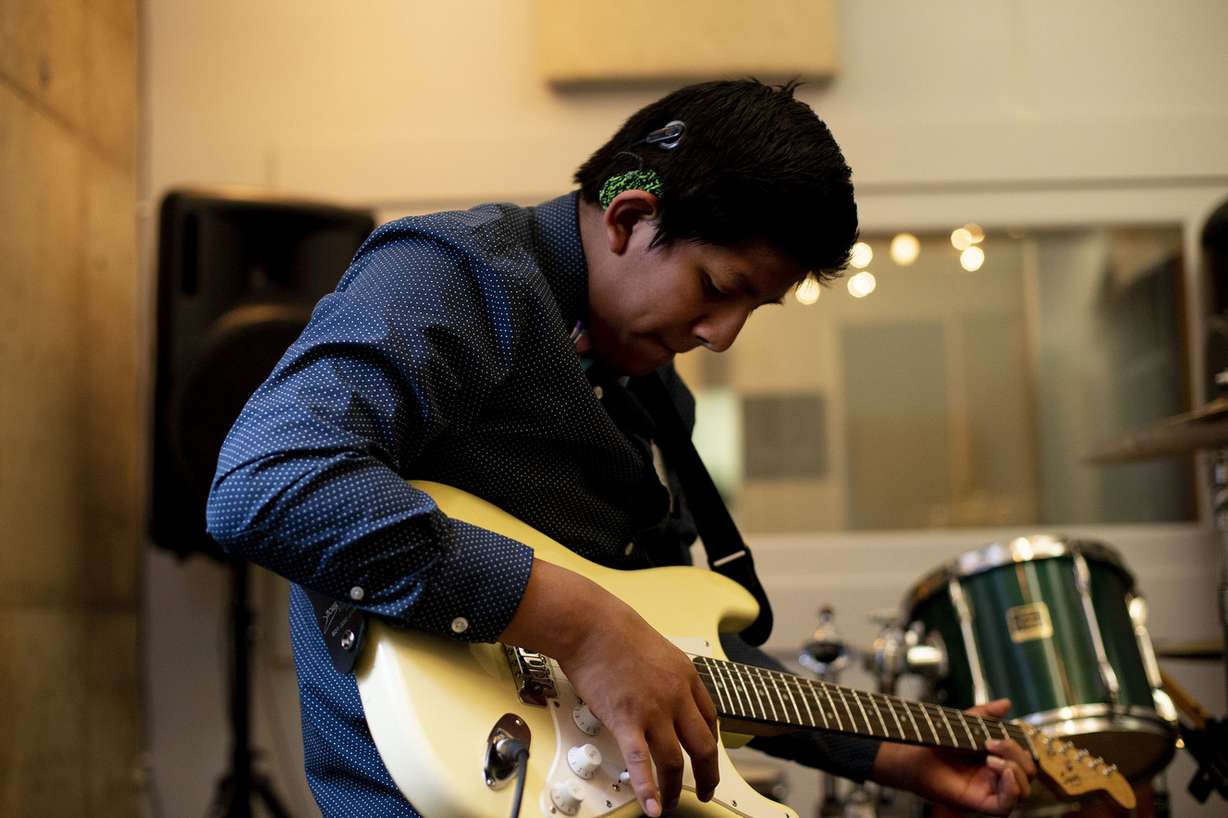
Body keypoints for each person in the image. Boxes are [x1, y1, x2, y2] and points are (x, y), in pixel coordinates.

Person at [207, 79, 1036, 817]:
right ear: (630, 217)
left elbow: (678, 641)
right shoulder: (456, 275)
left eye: (755, 309)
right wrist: (584, 625)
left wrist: (886, 749)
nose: (720, 337)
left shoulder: (651, 394)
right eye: (717, 289)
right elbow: (270, 480)